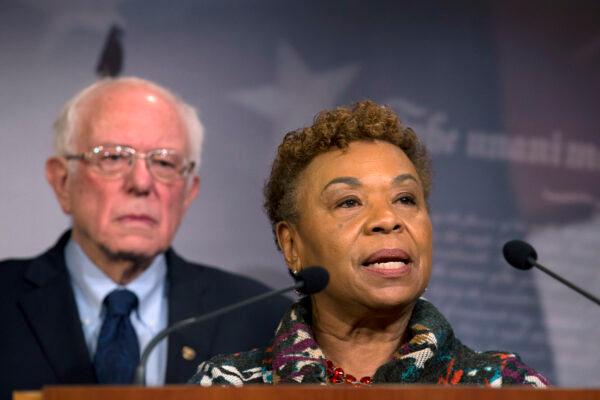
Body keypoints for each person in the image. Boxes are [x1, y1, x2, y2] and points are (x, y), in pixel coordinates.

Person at [189, 100, 549, 387]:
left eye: (406, 199)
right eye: (349, 202)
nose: (388, 219)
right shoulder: (226, 387)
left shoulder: (505, 386)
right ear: (291, 244)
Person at [0, 77, 290, 397]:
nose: (141, 182)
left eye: (164, 162)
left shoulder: (261, 321)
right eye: (111, 157)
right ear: (62, 181)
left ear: (188, 192)